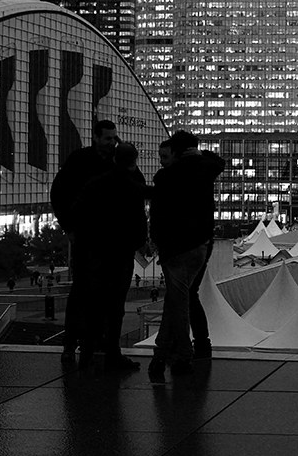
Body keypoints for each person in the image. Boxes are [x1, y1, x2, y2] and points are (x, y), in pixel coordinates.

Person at [147, 130, 224, 382]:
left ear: (176, 152)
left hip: (175, 249)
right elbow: (218, 161)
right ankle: (164, 354)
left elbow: (157, 215)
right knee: (179, 300)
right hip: (200, 245)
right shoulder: (204, 170)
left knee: (178, 303)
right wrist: (199, 154)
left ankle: (181, 354)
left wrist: (158, 242)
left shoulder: (166, 177)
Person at [70, 141, 148, 372]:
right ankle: (112, 354)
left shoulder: (96, 184)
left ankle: (86, 354)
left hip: (95, 252)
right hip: (121, 252)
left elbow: (77, 212)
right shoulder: (132, 186)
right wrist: (138, 242)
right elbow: (138, 219)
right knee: (115, 307)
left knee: (93, 305)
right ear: (134, 162)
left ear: (114, 159)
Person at [50, 119, 119, 364]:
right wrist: (69, 227)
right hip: (88, 235)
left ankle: (88, 342)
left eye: (114, 138)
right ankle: (73, 343)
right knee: (83, 290)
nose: (112, 143)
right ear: (96, 138)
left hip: (104, 237)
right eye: (108, 138)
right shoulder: (81, 161)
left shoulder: (111, 162)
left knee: (96, 291)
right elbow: (58, 192)